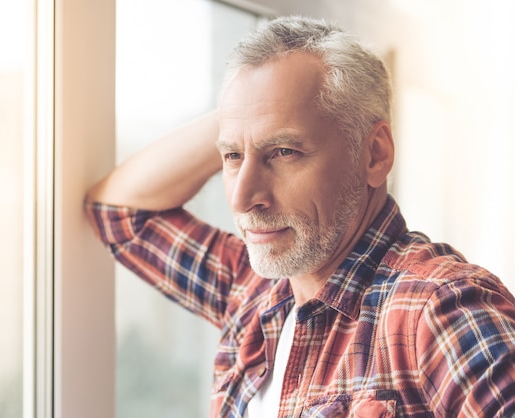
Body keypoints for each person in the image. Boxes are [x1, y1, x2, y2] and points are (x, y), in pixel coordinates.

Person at [85, 16, 515, 418]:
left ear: (374, 154)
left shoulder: (439, 309)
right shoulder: (252, 293)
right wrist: (250, 108)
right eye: (232, 156)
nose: (242, 198)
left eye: (284, 152)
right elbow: (121, 214)